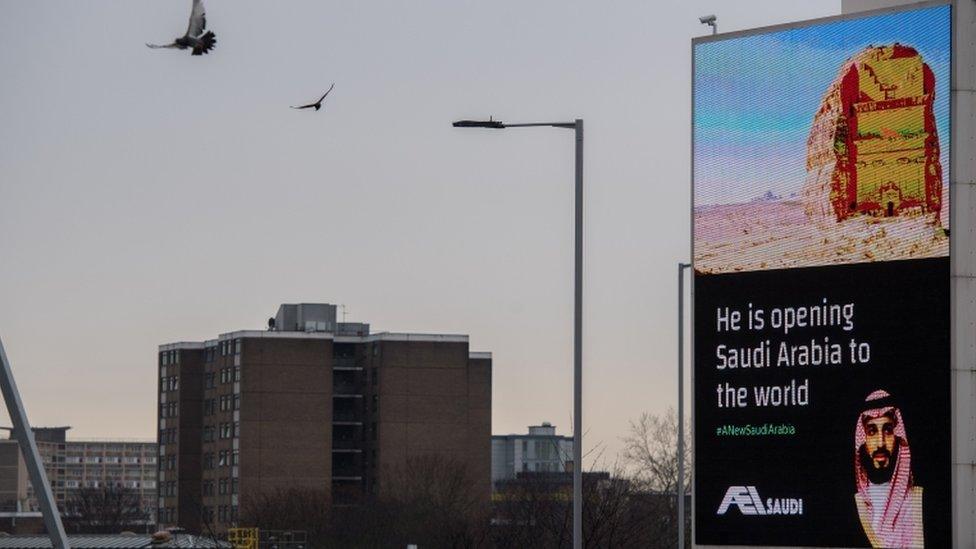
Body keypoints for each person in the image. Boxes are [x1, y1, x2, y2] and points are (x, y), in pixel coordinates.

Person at [853, 390, 923, 548]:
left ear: (898, 437)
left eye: (888, 431)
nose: (880, 444)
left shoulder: (915, 499)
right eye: (871, 432)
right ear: (862, 440)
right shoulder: (858, 502)